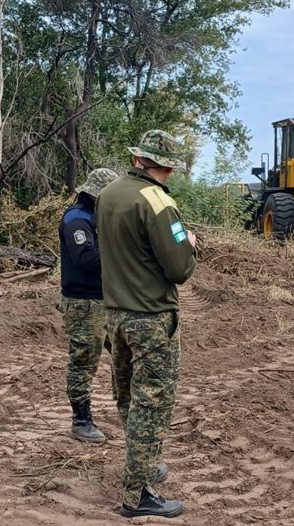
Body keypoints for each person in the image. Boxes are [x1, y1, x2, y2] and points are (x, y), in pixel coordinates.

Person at [96, 130, 197, 519]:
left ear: (137, 158)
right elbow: (179, 268)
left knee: (127, 397)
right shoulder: (158, 201)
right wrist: (189, 244)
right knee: (151, 405)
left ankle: (144, 465)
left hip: (115, 315)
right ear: (167, 166)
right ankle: (137, 495)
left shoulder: (108, 194)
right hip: (151, 318)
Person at [58, 167, 119, 443]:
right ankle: (81, 421)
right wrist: (123, 257)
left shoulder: (97, 217)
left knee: (125, 355)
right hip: (83, 303)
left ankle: (127, 407)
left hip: (107, 299)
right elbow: (85, 259)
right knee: (84, 361)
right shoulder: (77, 219)